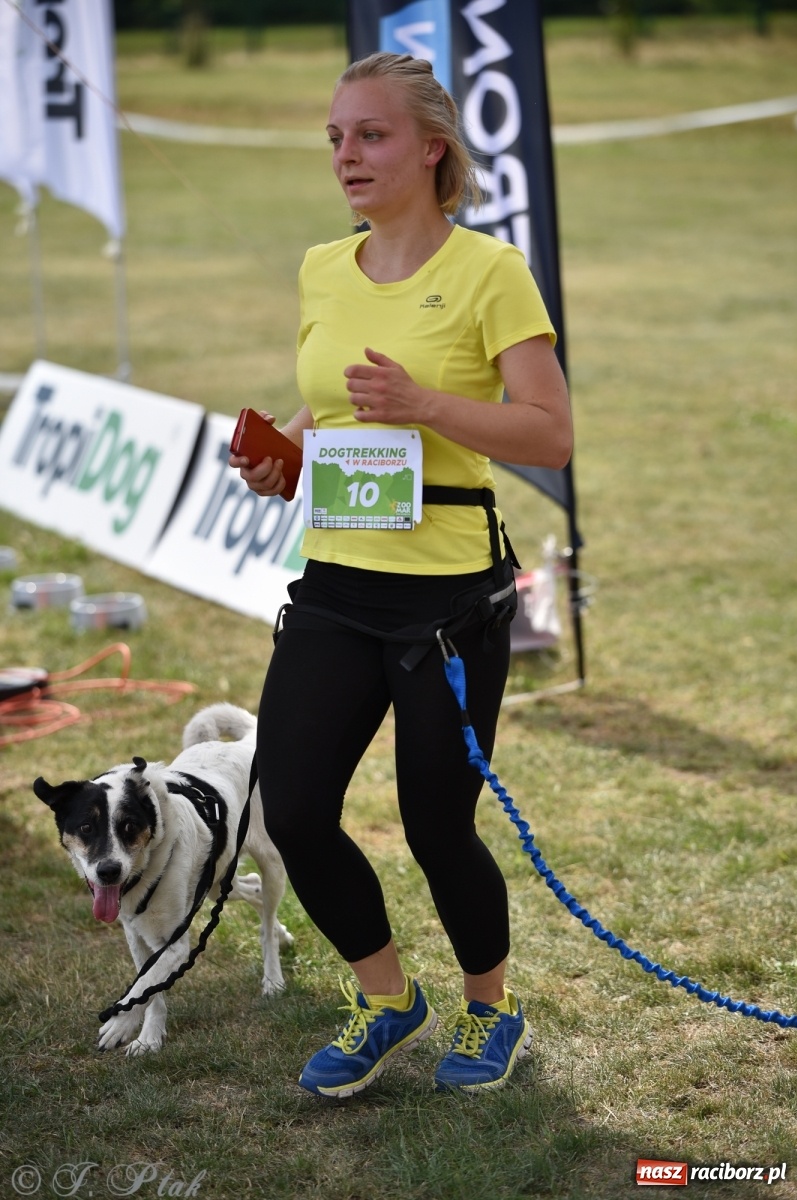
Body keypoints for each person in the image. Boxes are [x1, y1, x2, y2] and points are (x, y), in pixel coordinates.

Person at [231, 51, 573, 1097]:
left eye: (370, 135)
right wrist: (280, 458)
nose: (347, 155)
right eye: (336, 136)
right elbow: (332, 412)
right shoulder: (321, 267)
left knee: (435, 822)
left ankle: (489, 1008)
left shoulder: (489, 272)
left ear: (433, 148)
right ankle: (386, 998)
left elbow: (550, 434)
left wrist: (429, 406)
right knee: (290, 807)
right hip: (335, 583)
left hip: (447, 601)